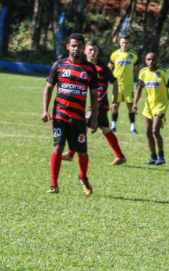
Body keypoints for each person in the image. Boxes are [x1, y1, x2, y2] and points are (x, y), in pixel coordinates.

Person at [42, 33, 98, 196]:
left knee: (82, 152)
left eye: (79, 46)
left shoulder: (90, 69)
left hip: (79, 118)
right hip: (59, 116)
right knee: (58, 147)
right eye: (73, 45)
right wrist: (45, 110)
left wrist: (94, 118)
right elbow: (49, 88)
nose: (76, 49)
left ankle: (83, 177)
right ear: (68, 47)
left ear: (83, 48)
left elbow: (94, 94)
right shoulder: (59, 65)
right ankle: (54, 184)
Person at [62, 40, 127, 166]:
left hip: (100, 103)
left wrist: (115, 101)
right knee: (106, 129)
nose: (93, 52)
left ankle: (70, 153)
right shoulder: (84, 66)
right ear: (85, 51)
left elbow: (114, 82)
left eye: (95, 50)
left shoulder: (102, 67)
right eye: (90, 50)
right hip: (93, 103)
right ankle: (120, 156)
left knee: (82, 127)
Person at [132, 52, 169, 165]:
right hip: (148, 105)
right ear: (145, 61)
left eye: (153, 59)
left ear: (157, 61)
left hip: (161, 105)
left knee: (155, 131)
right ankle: (153, 157)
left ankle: (161, 157)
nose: (151, 61)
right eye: (149, 59)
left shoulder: (163, 73)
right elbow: (139, 88)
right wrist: (135, 103)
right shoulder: (143, 72)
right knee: (148, 132)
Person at [109, 35, 139, 134]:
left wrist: (139, 80)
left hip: (128, 85)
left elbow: (136, 70)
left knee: (130, 106)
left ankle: (132, 128)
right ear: (119, 43)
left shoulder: (133, 55)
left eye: (126, 43)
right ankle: (113, 126)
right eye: (123, 42)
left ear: (129, 44)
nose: (125, 44)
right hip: (117, 85)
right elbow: (109, 68)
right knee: (115, 105)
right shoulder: (115, 54)